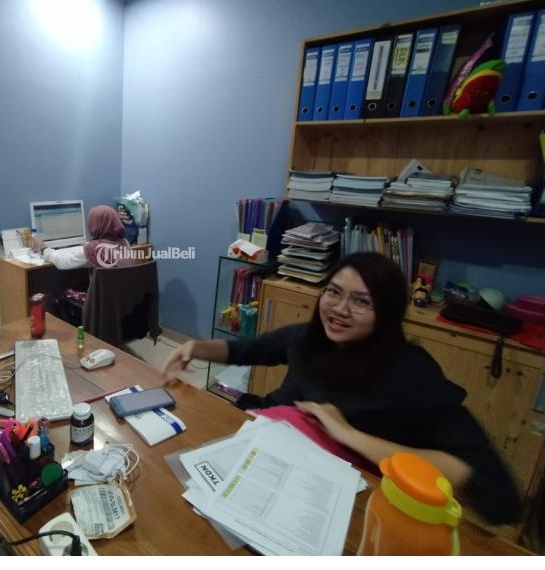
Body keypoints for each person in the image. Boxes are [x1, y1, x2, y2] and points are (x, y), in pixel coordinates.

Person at [163, 252, 521, 525]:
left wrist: (348, 434)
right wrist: (195, 348)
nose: (339, 309)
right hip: (260, 450)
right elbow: (246, 349)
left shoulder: (411, 373)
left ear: (388, 313)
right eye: (333, 292)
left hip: (324, 497)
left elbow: (495, 492)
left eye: (361, 301)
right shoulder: (309, 338)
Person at [30, 204, 137, 270]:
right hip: (126, 297)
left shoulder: (94, 250)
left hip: (104, 299)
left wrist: (44, 249)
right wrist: (89, 245)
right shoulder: (124, 242)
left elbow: (63, 262)